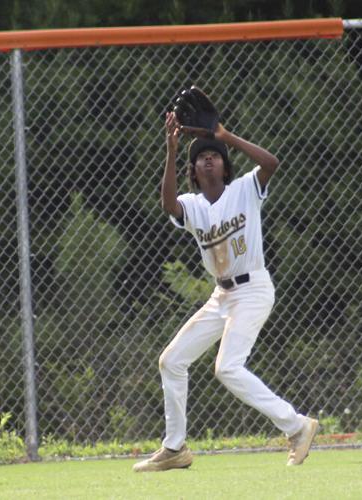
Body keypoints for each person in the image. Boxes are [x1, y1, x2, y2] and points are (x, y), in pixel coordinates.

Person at [133, 113, 318, 472]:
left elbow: (271, 163)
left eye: (214, 153)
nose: (208, 157)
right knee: (171, 361)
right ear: (194, 169)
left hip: (253, 290)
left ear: (224, 164)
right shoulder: (194, 205)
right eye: (201, 155)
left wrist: (226, 135)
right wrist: (171, 151)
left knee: (227, 367)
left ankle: (297, 426)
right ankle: (175, 448)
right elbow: (169, 204)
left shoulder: (245, 189)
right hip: (221, 297)